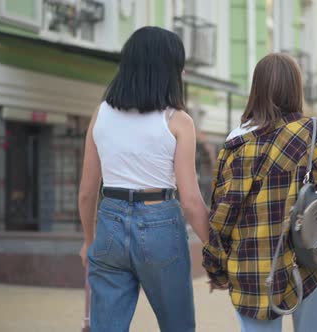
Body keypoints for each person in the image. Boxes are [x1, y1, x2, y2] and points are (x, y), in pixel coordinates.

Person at [202, 53, 317, 332]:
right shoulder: (316, 133)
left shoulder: (235, 143)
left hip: (252, 267)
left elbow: (222, 215)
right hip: (308, 258)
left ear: (256, 90)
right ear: (296, 88)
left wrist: (215, 266)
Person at [78, 26, 209, 332]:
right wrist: (216, 248)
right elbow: (190, 201)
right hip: (160, 222)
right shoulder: (178, 121)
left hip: (109, 219)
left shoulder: (101, 114)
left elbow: (86, 192)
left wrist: (89, 242)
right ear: (167, 69)